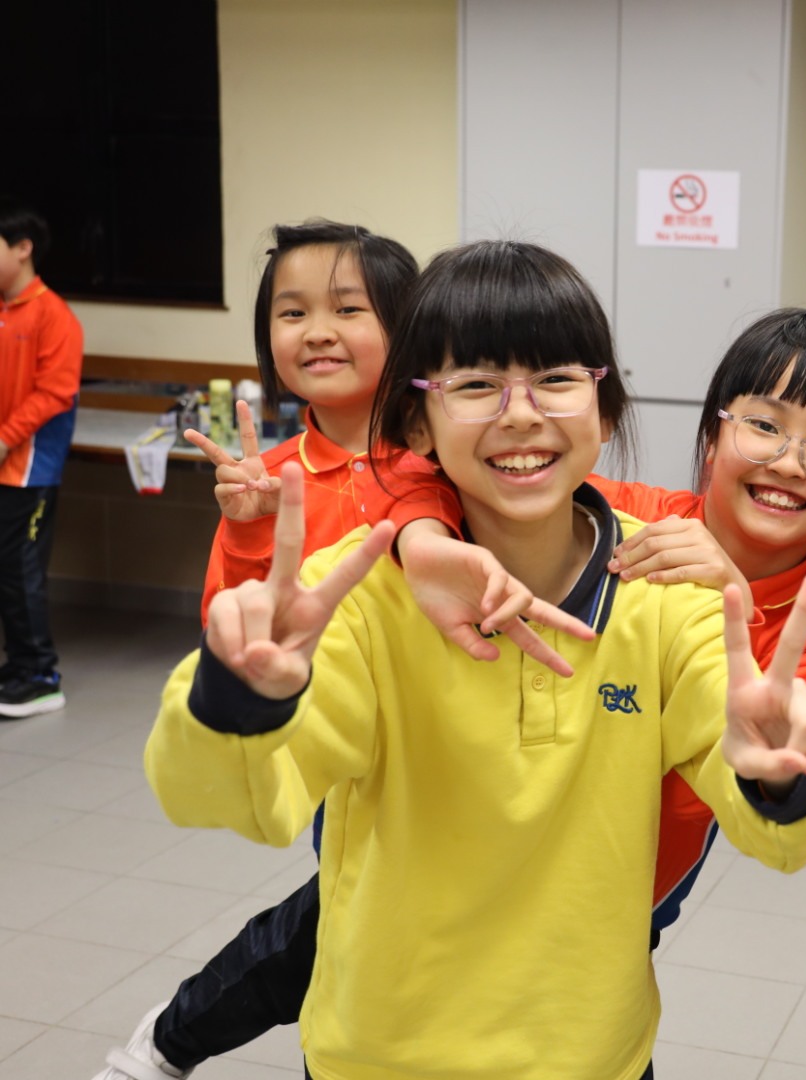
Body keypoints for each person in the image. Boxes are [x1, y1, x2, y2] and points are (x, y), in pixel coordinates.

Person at [143, 239, 806, 1080]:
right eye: (477, 384)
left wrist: (787, 772)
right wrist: (239, 699)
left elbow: (777, 835)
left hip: (592, 1058)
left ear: (605, 409)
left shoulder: (667, 592)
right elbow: (239, 801)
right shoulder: (366, 595)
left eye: (556, 379)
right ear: (418, 423)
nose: (521, 415)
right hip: (381, 1057)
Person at [96, 222, 593, 1080]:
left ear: (411, 333)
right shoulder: (271, 475)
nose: (317, 331)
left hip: (477, 719)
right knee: (351, 909)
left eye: (348, 309)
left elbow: (431, 509)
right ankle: (178, 1037)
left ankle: (175, 1037)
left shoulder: (453, 454)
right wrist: (247, 532)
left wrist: (418, 537)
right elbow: (234, 621)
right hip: (343, 732)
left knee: (367, 915)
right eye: (292, 313)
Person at [401, 305, 806, 936]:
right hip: (463, 862)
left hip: (614, 913)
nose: (790, 463)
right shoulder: (616, 517)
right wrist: (419, 531)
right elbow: (435, 471)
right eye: (764, 425)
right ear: (712, 436)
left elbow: (711, 789)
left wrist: (726, 605)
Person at [0, 198, 83, 719]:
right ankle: (18, 666)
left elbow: (54, 392)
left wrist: (5, 439)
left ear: (22, 249)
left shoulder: (54, 316)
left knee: (20, 569)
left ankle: (40, 676)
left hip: (29, 468)